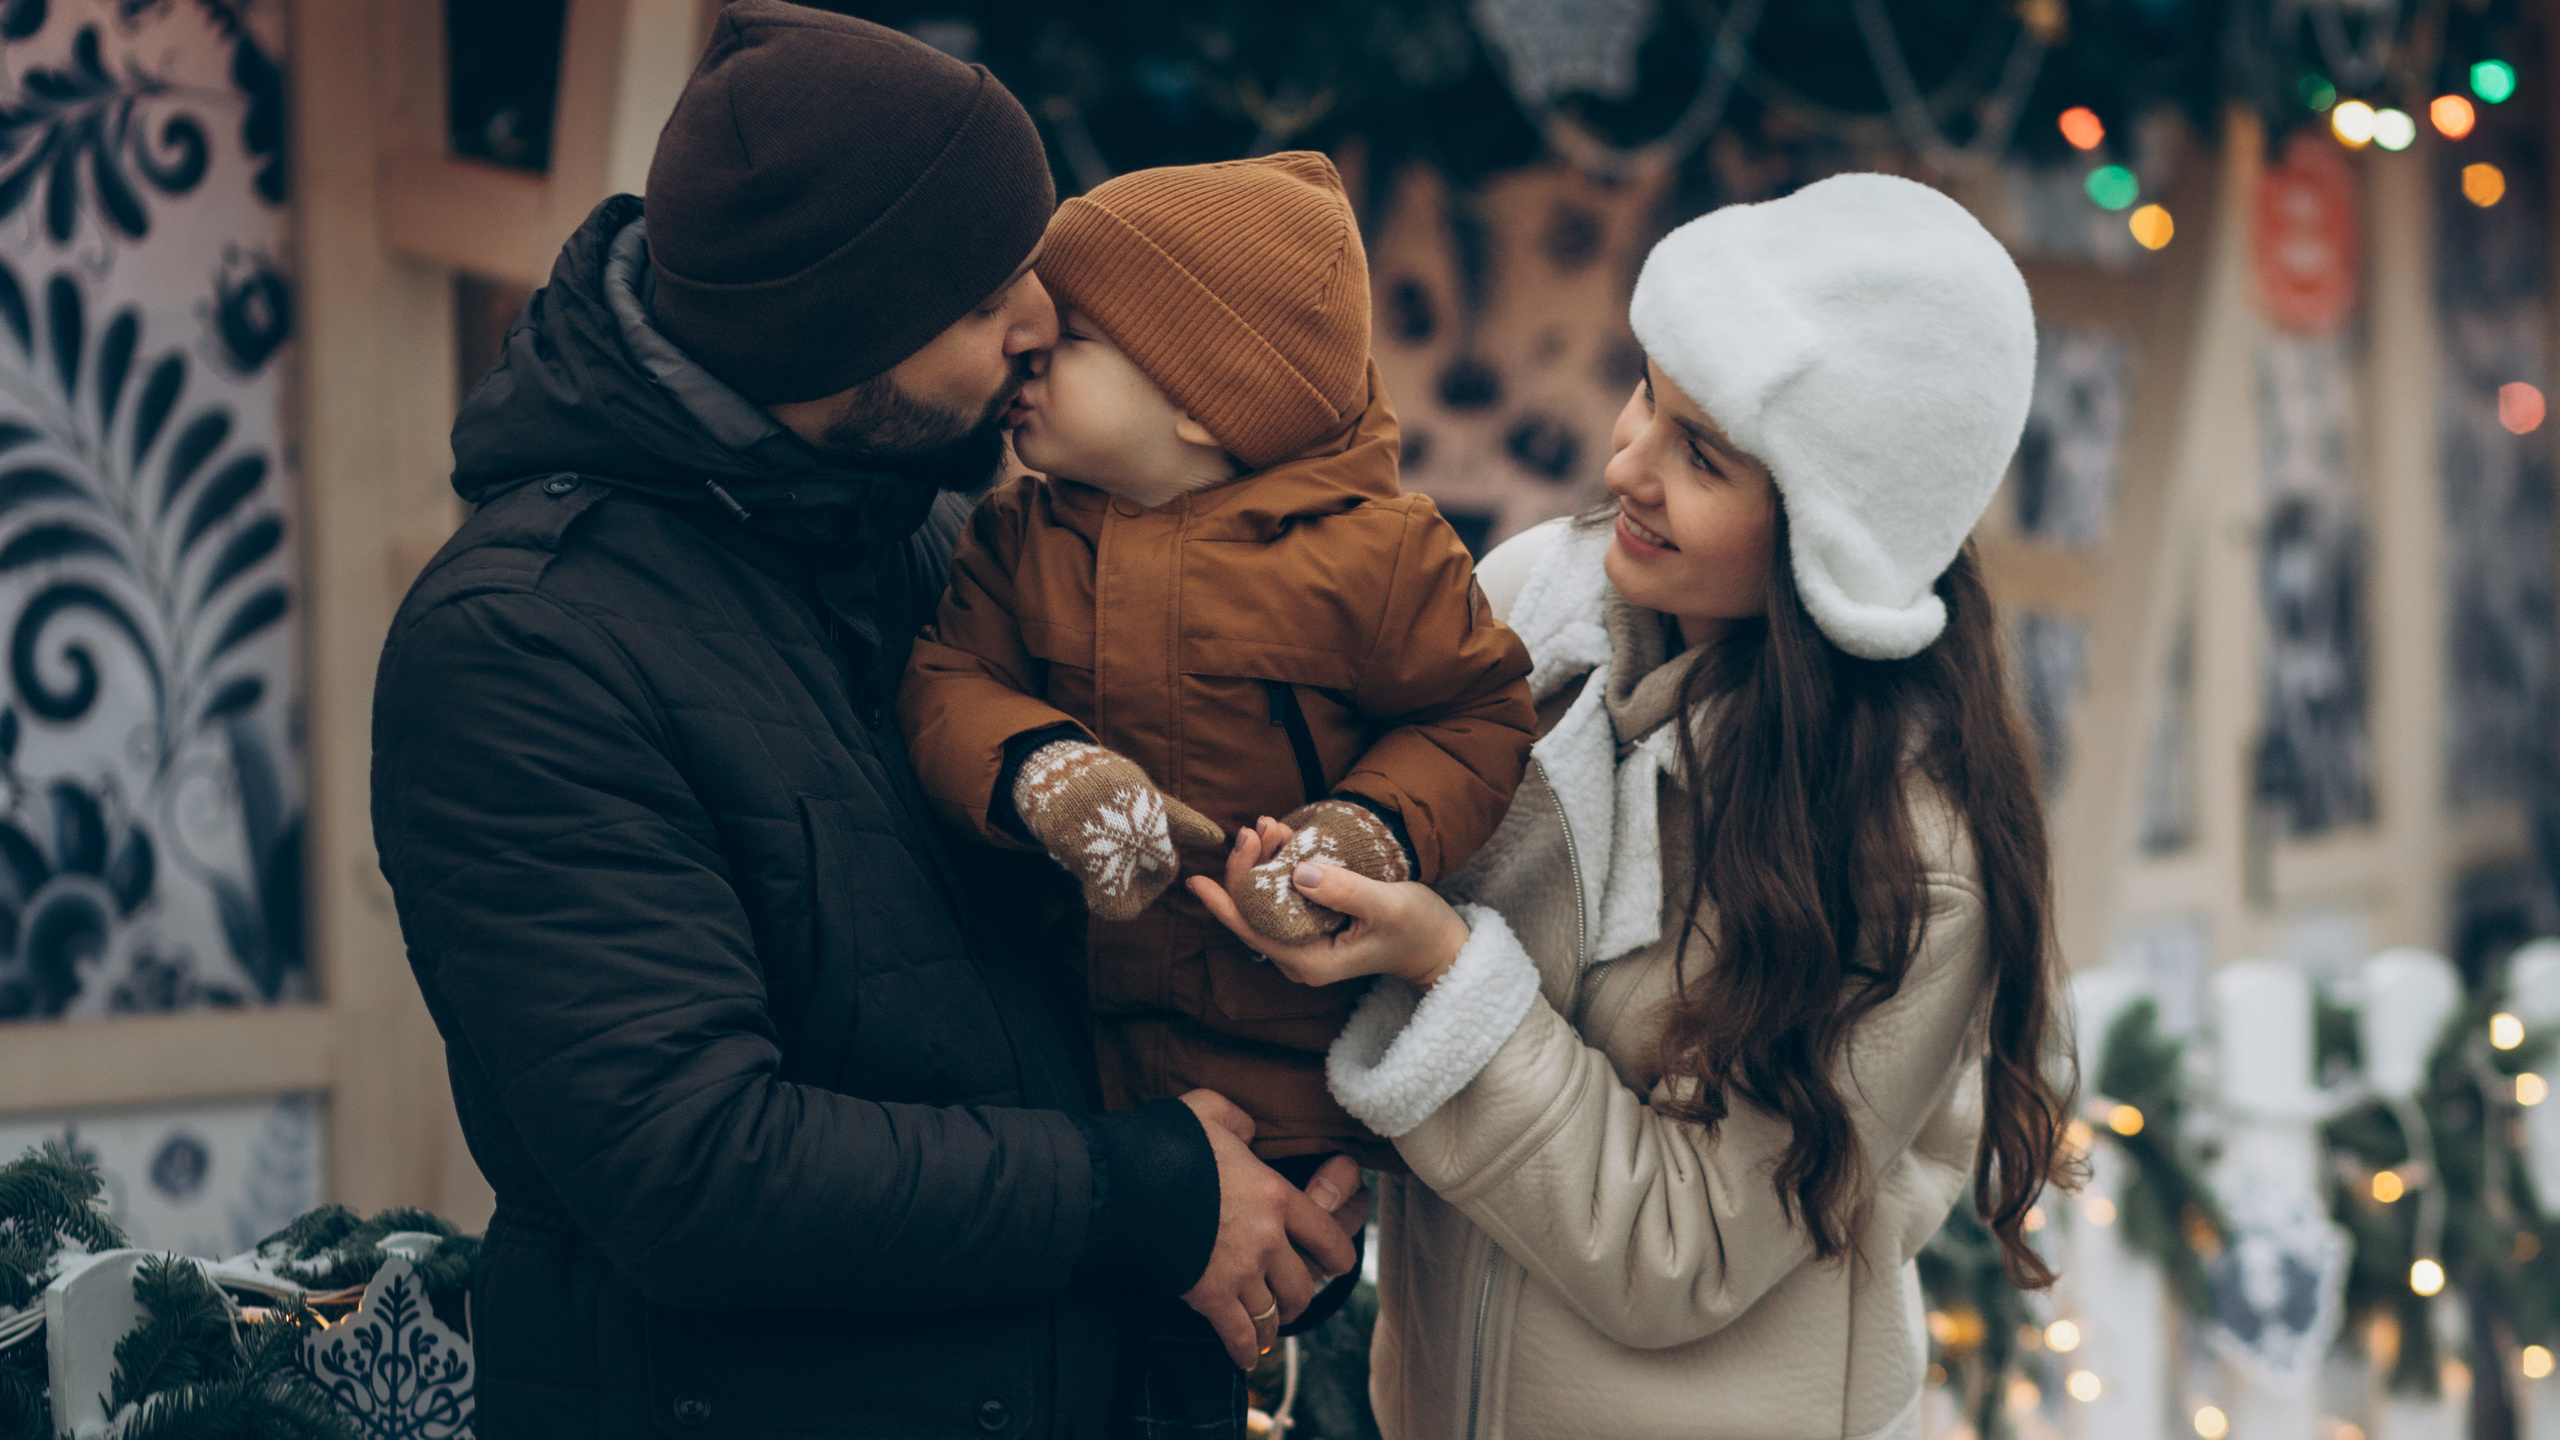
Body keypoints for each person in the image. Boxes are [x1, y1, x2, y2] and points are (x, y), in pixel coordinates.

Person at [370, 6, 1357, 1436]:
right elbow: (692, 1166)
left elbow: (1094, 985)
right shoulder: (525, 642)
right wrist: (1148, 1193)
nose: (1039, 323)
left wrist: (1266, 1200)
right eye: (980, 302)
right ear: (832, 339)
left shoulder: (942, 539)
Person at [1191, 173, 2077, 1440]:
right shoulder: (1532, 617)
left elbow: (1686, 1249)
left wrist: (1446, 969)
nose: (1625, 464)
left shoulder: (1901, 857)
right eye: (1649, 395)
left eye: (1701, 455)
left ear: (1830, 529)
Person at [898, 153, 1535, 1435]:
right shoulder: (1018, 540)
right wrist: (1040, 769)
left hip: (1286, 1092)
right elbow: (946, 679)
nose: (1023, 353)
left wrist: (1367, 831)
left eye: (1066, 338)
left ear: (1201, 402)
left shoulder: (1380, 558)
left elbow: (1474, 714)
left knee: (1203, 1366)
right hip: (1067, 1072)